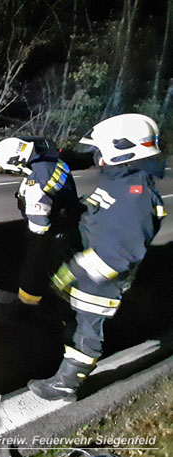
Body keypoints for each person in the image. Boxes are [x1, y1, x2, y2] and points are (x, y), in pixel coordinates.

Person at [28, 114, 167, 401]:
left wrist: (76, 269)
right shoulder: (121, 181)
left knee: (87, 332)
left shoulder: (134, 193)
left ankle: (66, 385)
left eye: (101, 151)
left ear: (122, 149)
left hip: (100, 281)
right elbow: (98, 211)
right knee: (75, 323)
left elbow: (123, 250)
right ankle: (61, 367)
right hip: (87, 273)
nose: (97, 157)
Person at [0, 137, 79, 313]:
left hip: (48, 232)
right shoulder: (51, 163)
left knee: (35, 268)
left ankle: (26, 305)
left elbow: (39, 225)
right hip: (66, 224)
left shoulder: (36, 181)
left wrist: (33, 241)